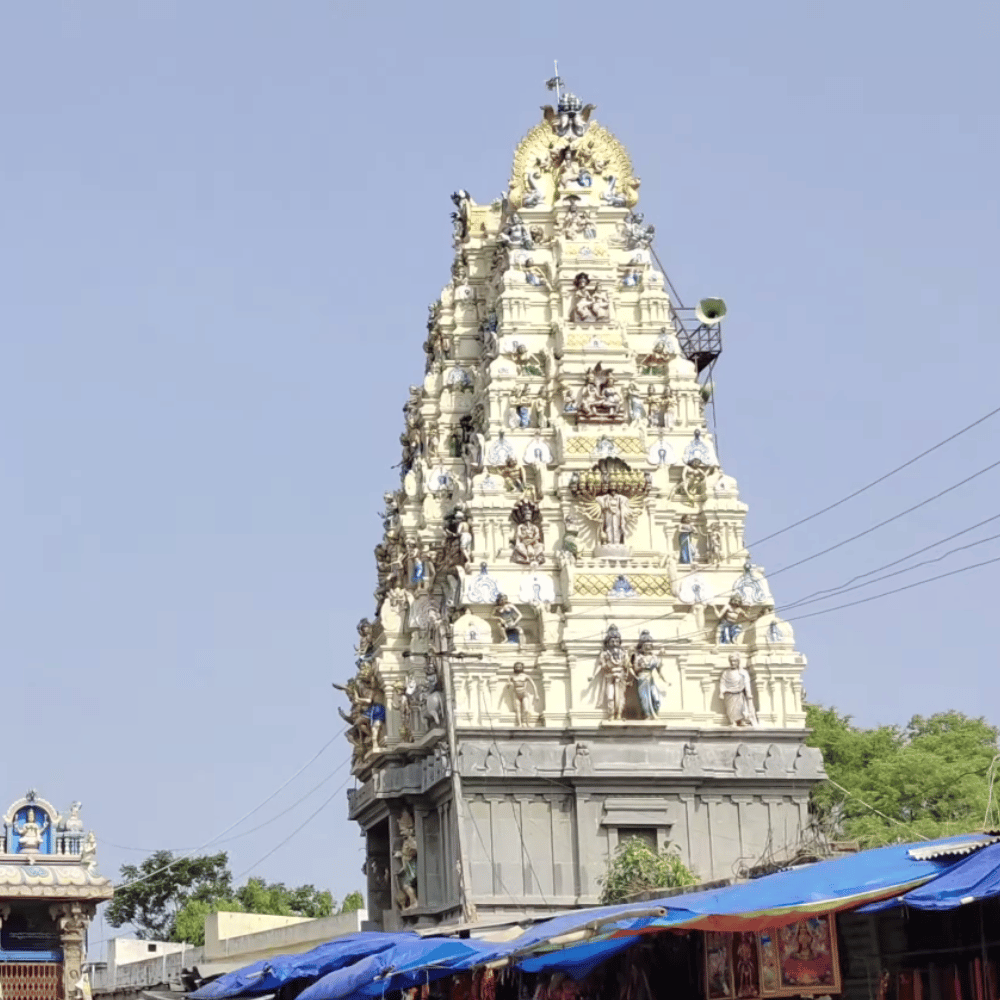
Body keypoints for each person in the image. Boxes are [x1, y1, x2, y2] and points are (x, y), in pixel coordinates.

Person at [631, 631, 665, 719]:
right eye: (646, 646)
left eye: (649, 646)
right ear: (642, 647)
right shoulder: (638, 657)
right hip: (642, 678)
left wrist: (665, 680)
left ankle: (654, 712)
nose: (648, 648)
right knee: (645, 698)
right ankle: (647, 714)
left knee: (656, 698)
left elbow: (659, 669)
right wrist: (641, 667)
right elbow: (635, 669)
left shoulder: (654, 657)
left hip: (651, 679)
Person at [719, 653, 758, 727]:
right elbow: (722, 683)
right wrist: (721, 692)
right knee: (731, 709)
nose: (732, 663)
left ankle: (741, 721)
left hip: (739, 693)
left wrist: (748, 693)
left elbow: (746, 683)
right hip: (729, 694)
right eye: (731, 661)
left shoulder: (743, 672)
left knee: (740, 708)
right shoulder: (726, 673)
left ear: (738, 662)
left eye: (734, 661)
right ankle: (733, 721)